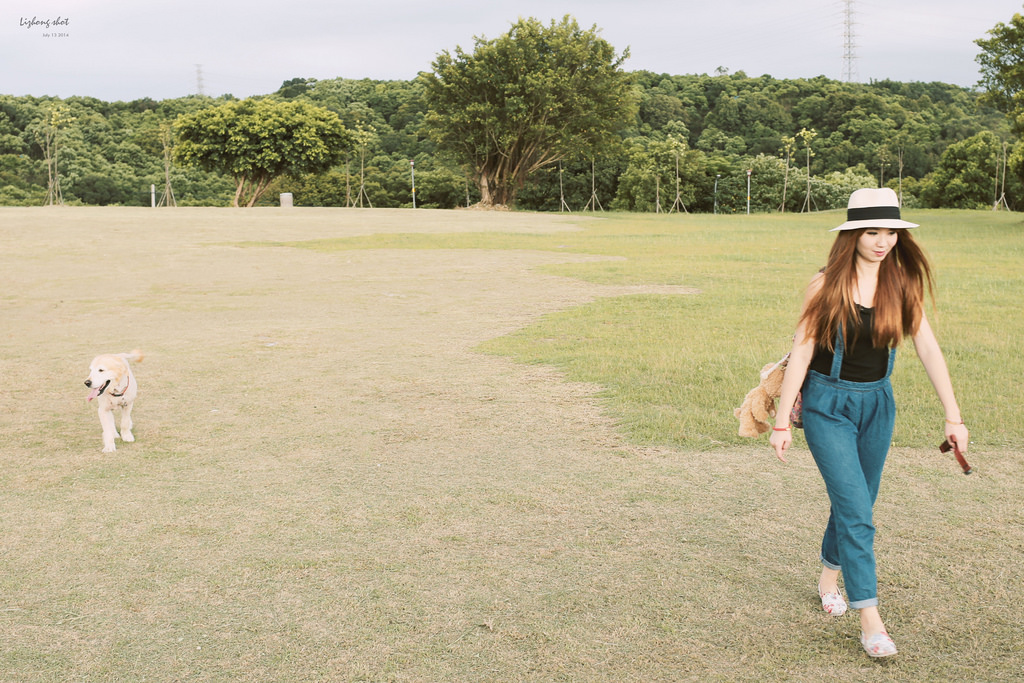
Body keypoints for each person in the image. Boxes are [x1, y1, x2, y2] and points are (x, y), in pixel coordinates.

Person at [769, 187, 969, 659]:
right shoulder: (825, 284)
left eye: (891, 232)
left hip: (878, 405)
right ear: (853, 234)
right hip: (827, 406)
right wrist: (781, 422)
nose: (882, 241)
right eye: (872, 231)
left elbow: (927, 348)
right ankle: (870, 620)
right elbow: (801, 350)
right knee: (858, 512)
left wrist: (953, 416)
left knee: (858, 503)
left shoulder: (901, 284)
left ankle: (826, 579)